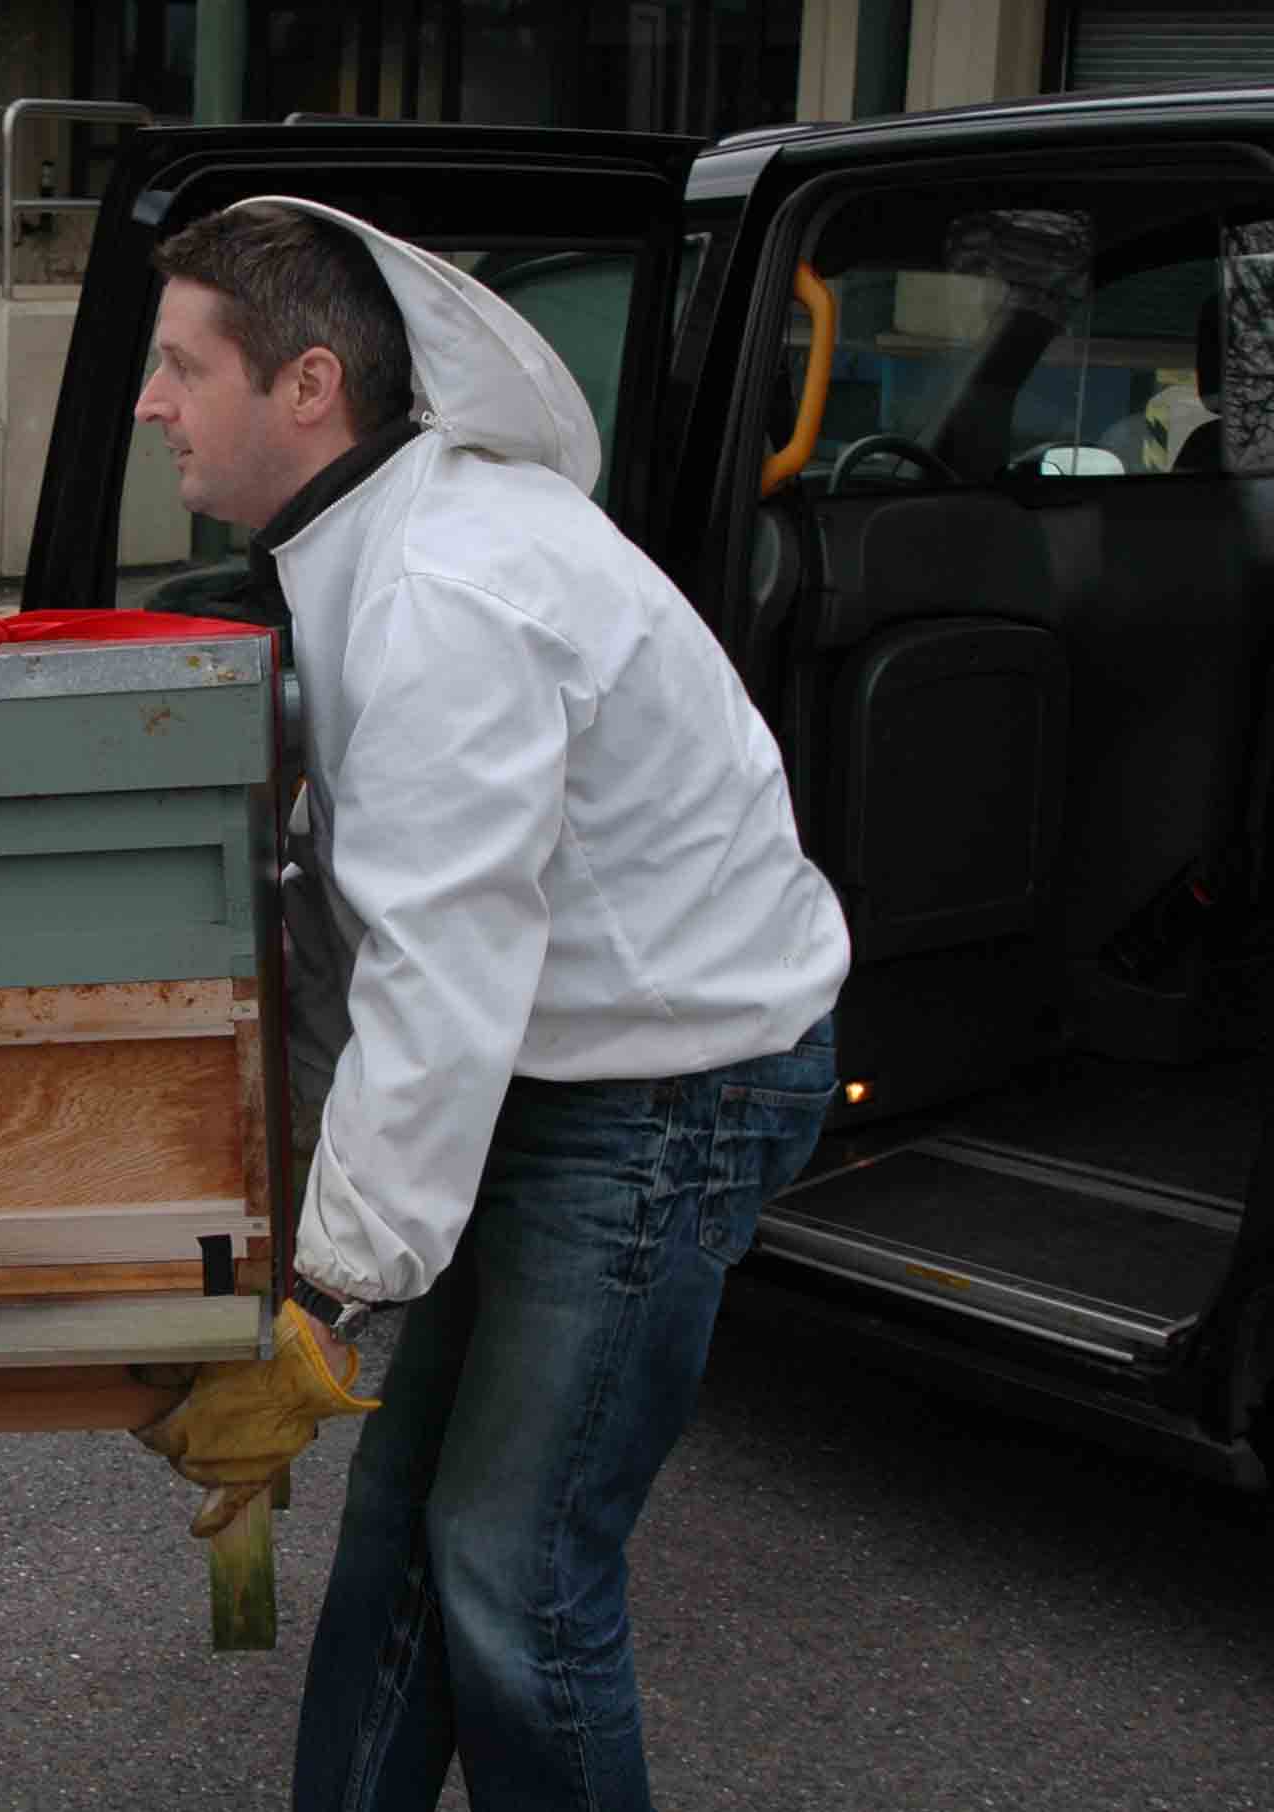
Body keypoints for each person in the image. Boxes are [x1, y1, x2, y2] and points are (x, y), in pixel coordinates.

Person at [125, 199, 851, 1812]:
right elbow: (358, 927)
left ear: (308, 385)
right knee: (407, 1537)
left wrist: (326, 1294)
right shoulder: (365, 543)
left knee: (514, 1569)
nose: (149, 401)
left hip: (672, 1094)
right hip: (557, 1064)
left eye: (183, 366)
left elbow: (442, 973)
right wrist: (290, 1214)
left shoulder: (447, 590)